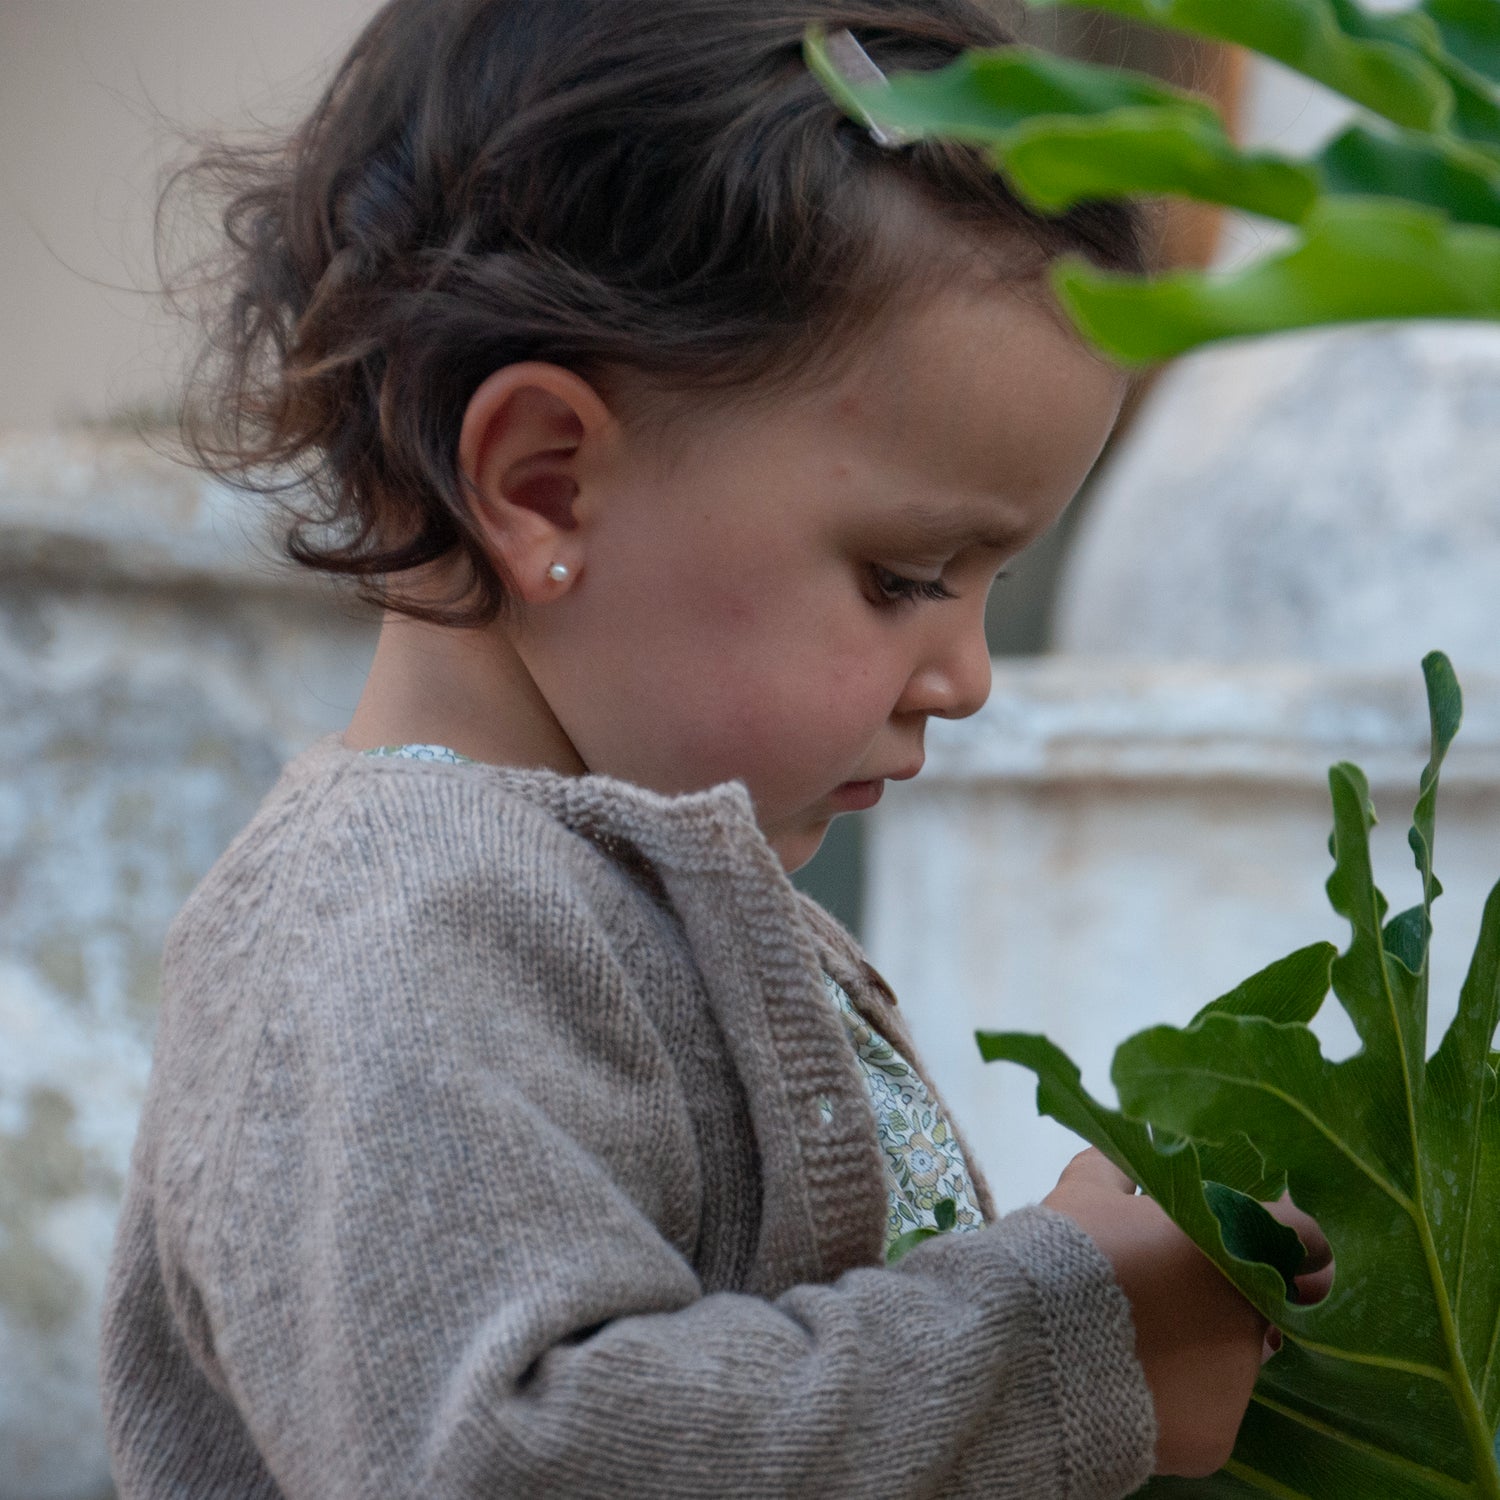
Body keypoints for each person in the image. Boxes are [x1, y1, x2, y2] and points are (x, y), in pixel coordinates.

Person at [100, 2, 1317, 1495]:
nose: (969, 675)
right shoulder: (386, 930)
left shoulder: (631, 889)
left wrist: (1109, 1302)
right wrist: (1067, 1336)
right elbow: (515, 1456)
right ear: (545, 485)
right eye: (906, 575)